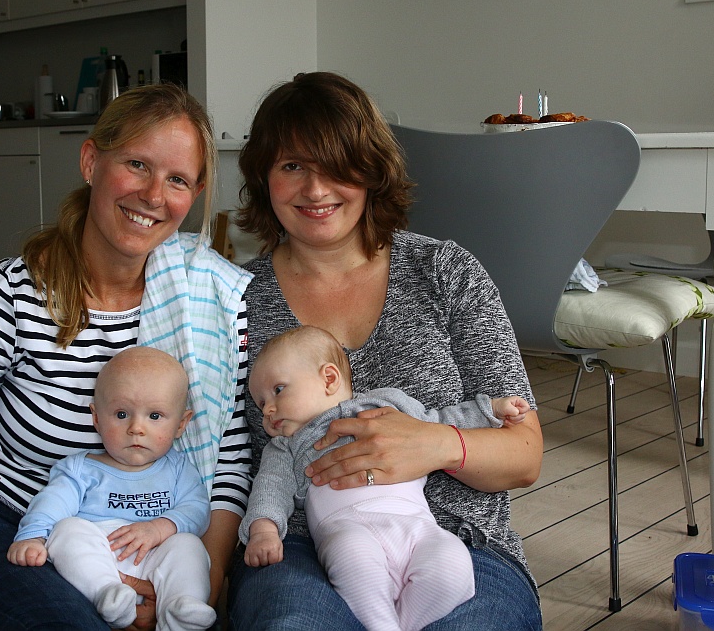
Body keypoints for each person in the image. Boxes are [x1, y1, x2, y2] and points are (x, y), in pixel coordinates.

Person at [0, 83, 254, 631]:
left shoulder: (209, 303)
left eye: (177, 179)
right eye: (137, 165)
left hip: (143, 536)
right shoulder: (13, 295)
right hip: (1, 520)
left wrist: (198, 591)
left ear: (194, 194)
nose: (153, 195)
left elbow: (229, 466)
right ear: (91, 161)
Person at [228, 72, 544, 631]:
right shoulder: (235, 299)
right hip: (297, 549)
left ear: (371, 170)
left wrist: (433, 443)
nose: (315, 190)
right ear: (263, 178)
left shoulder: (445, 272)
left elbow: (524, 455)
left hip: (455, 540)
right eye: (292, 165)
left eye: (336, 164)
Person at [240, 325, 529, 630]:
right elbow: (270, 487)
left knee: (452, 564)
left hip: (417, 527)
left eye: (278, 390)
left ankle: (399, 623)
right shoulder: (286, 446)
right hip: (347, 530)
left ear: (329, 379)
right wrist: (264, 530)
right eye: (261, 403)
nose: (268, 410)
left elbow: (440, 422)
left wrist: (489, 410)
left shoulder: (386, 404)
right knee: (354, 561)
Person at [8, 346, 216, 631]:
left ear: (181, 424)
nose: (136, 428)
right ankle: (106, 593)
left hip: (155, 557)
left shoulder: (178, 468)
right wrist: (32, 537)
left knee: (189, 545)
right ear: (96, 417)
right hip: (97, 560)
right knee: (67, 530)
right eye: (121, 414)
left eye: (155, 416)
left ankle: (180, 605)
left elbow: (198, 509)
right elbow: (51, 503)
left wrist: (160, 528)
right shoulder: (81, 468)